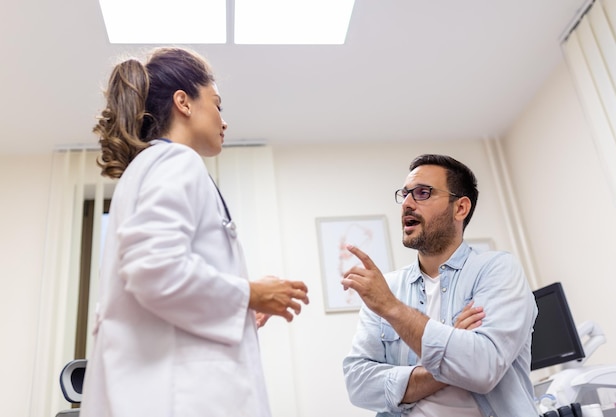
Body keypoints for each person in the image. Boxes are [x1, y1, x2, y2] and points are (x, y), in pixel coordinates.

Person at [80, 47, 309, 417]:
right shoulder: (175, 160)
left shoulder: (147, 167)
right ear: (183, 102)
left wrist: (242, 306)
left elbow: (153, 288)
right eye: (217, 104)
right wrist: (248, 293)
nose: (224, 120)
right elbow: (155, 269)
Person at [342, 154, 538, 417]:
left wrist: (393, 309)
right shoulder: (388, 286)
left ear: (460, 208)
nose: (407, 204)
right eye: (405, 194)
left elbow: (482, 369)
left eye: (422, 193)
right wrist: (452, 353)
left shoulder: (497, 270)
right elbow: (359, 384)